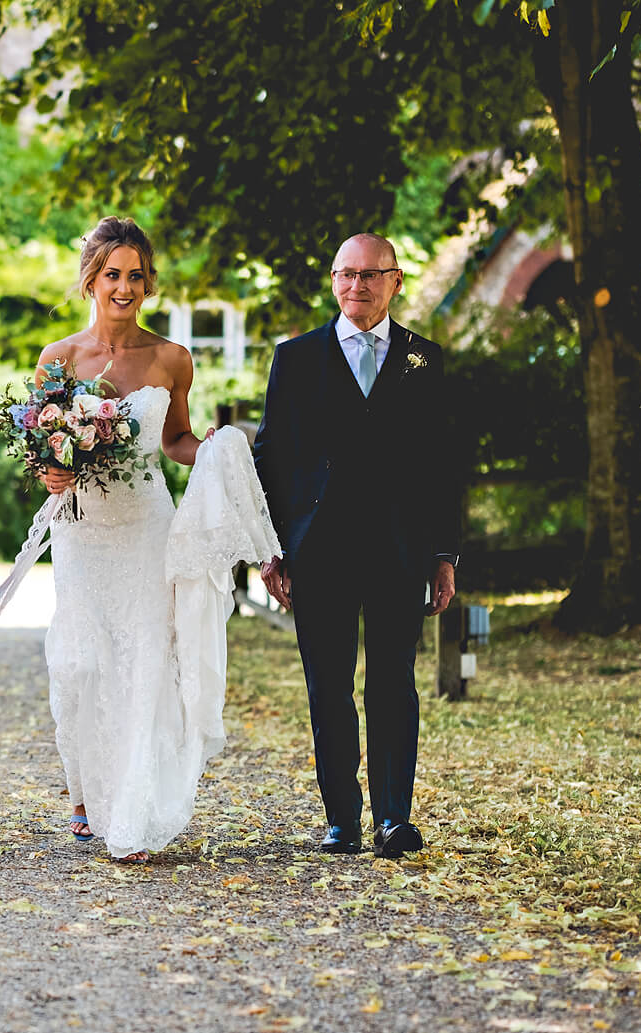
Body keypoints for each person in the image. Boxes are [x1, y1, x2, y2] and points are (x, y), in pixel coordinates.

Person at [253, 232, 458, 858]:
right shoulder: (296, 358)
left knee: (394, 682)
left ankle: (394, 816)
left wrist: (445, 553)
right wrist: (268, 548)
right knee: (329, 686)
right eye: (346, 274)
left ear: (395, 281)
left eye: (371, 275)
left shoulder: (427, 359)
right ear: (333, 280)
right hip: (320, 551)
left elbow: (444, 462)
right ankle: (341, 817)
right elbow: (270, 458)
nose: (356, 286)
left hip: (400, 549)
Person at [34, 217, 226, 863]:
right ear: (92, 277)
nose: (125, 286)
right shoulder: (58, 358)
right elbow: (42, 449)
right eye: (113, 273)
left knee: (143, 659)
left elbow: (174, 440)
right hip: (82, 528)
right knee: (80, 661)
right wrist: (49, 469)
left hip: (146, 525)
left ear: (149, 282)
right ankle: (86, 791)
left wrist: (222, 453)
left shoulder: (172, 357)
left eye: (136, 275)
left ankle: (134, 805)